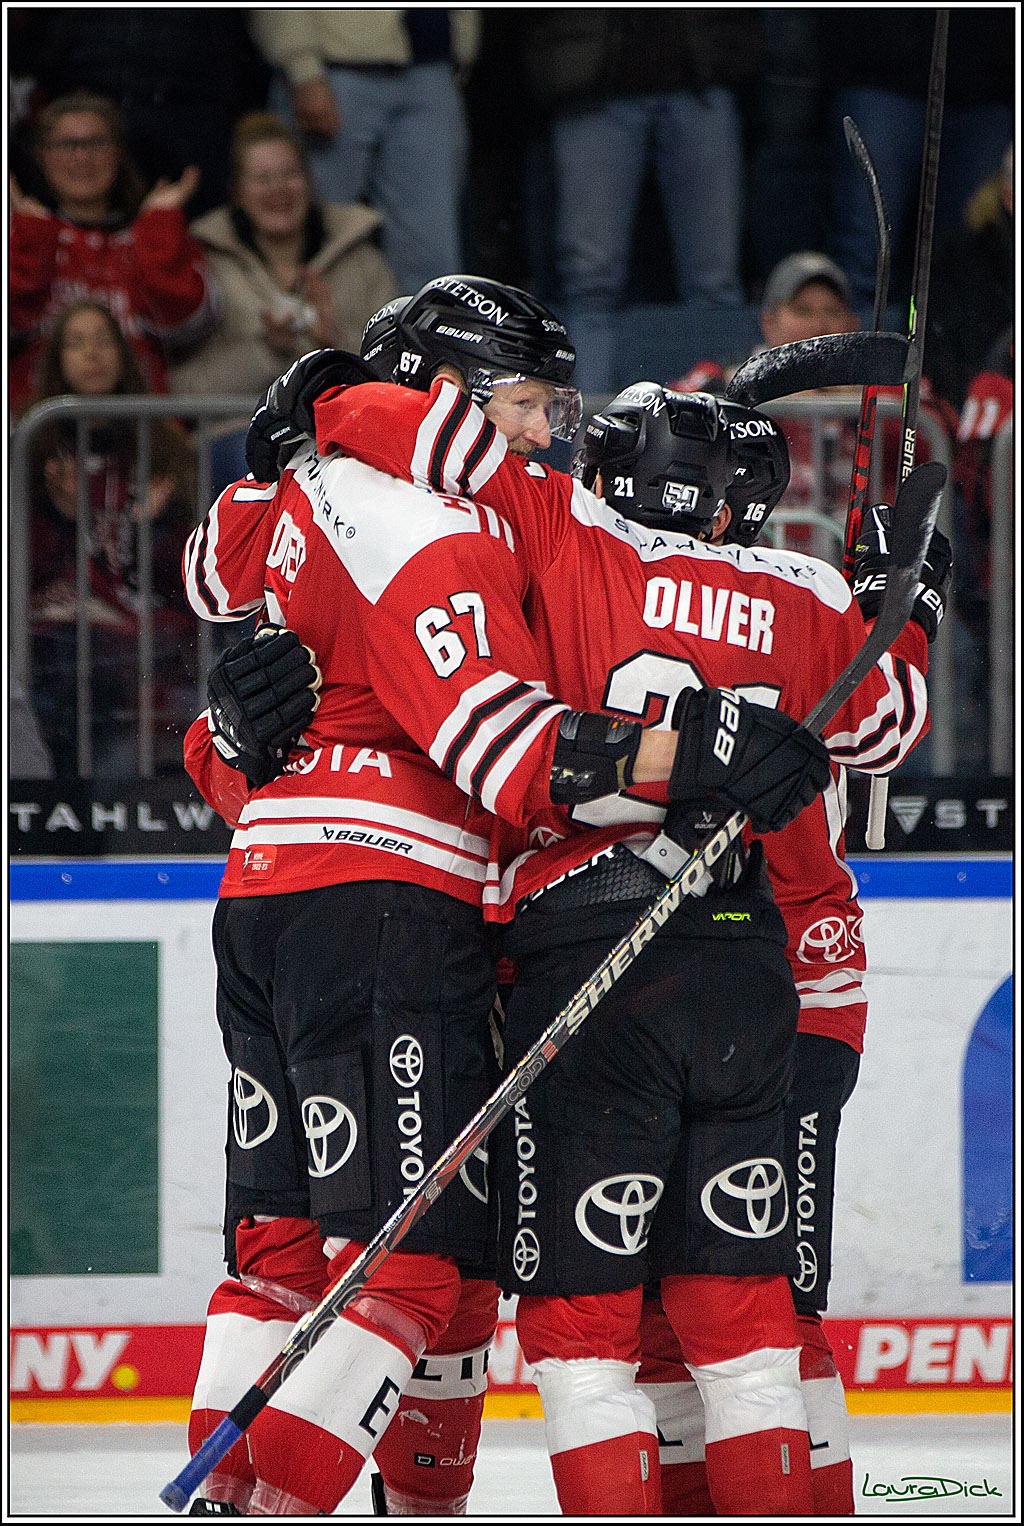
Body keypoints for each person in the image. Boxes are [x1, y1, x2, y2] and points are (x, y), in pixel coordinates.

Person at [293, 364, 939, 1516]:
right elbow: (889, 718)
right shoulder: (802, 589)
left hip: (589, 952)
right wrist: (904, 599)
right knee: (752, 1319)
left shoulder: (562, 530)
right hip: (766, 964)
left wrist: (330, 398)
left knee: (587, 1327)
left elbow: (405, 436)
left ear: (614, 473)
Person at [176, 284, 696, 1516]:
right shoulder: (436, 527)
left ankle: (243, 1491)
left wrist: (313, 419)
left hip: (273, 898)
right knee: (407, 1269)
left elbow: (212, 575)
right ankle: (287, 1499)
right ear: (447, 397)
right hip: (401, 910)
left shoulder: (311, 487)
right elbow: (515, 760)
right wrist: (707, 757)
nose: (547, 430)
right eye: (524, 402)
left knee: (291, 1258)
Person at [519, 8, 759, 391]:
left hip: (699, 76)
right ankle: (586, 434)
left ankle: (725, 431)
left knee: (715, 285)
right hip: (594, 83)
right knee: (590, 284)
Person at [171, 111, 397, 491]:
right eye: (262, 179)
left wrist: (333, 349)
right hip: (236, 434)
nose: (278, 190)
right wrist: (268, 351)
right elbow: (183, 385)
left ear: (309, 182)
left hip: (346, 433)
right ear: (237, 192)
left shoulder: (363, 260)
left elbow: (397, 369)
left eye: (289, 174)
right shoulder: (204, 264)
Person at [27, 300, 197, 776]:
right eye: (76, 343)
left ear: (123, 354)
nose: (92, 355)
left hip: (140, 627)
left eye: (103, 341)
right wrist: (61, 517)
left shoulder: (161, 444)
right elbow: (25, 571)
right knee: (66, 653)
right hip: (58, 627)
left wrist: (152, 530)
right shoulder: (32, 444)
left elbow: (184, 580)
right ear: (57, 359)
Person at [9, 89, 213, 412]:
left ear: (119, 152)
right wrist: (30, 240)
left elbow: (185, 326)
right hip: (40, 438)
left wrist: (158, 229)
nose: (81, 158)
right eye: (66, 145)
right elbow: (13, 325)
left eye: (95, 143)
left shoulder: (152, 232)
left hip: (140, 434)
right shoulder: (23, 235)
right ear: (41, 154)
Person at [249, 9, 480, 292]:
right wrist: (302, 66)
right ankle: (299, 331)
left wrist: (463, 41)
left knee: (431, 254)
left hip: (432, 64)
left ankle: (425, 335)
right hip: (337, 64)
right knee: (317, 240)